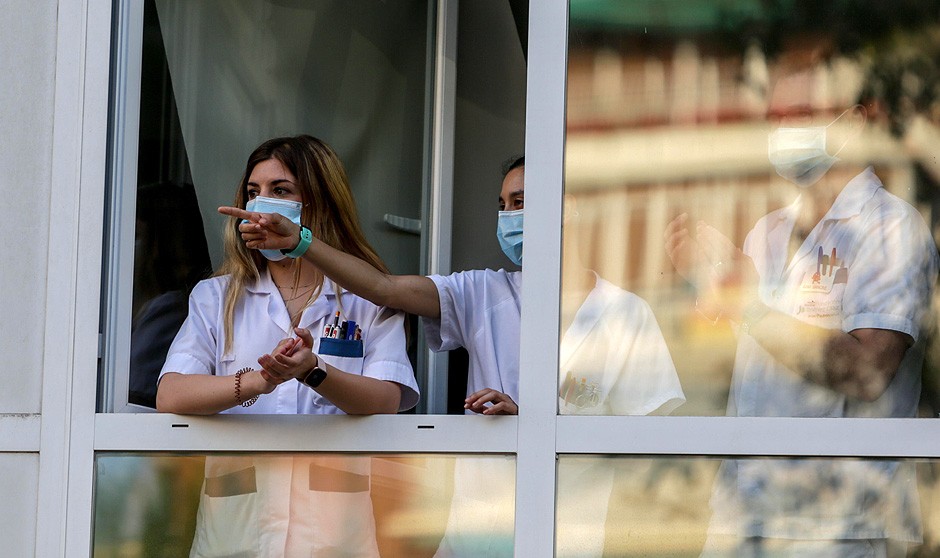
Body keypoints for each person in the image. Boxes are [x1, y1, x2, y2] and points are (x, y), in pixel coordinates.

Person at [223, 155, 685, 556]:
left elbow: (652, 447)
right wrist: (299, 241)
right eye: (503, 205)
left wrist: (539, 421)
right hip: (477, 529)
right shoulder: (484, 291)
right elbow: (383, 289)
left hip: (577, 531)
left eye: (521, 202)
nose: (509, 217)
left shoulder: (626, 313)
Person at [665, 64, 939, 557]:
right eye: (776, 115)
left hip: (843, 527)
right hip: (745, 517)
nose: (783, 129)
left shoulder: (892, 230)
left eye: (801, 114)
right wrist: (718, 282)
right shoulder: (768, 233)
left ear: (855, 121)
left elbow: (867, 372)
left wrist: (742, 300)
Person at [156, 135, 419, 558]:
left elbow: (387, 398)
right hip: (237, 533)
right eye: (253, 192)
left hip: (334, 536)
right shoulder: (217, 297)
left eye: (280, 191)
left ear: (319, 202)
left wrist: (313, 371)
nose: (261, 204)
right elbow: (171, 394)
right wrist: (260, 381)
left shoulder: (367, 299)